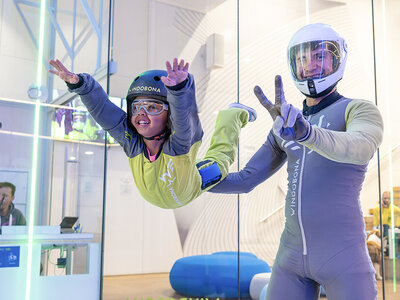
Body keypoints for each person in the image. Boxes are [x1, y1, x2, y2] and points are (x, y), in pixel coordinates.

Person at [210, 23, 384, 299]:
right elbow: (245, 180)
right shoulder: (286, 125)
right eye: (302, 58)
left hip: (344, 256)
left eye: (318, 56)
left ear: (338, 58)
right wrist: (186, 182)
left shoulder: (358, 109)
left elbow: (360, 147)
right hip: (290, 258)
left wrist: (307, 133)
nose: (309, 65)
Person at [49, 58, 256, 209]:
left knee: (221, 157)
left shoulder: (179, 144)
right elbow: (103, 111)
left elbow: (184, 119)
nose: (142, 114)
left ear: (169, 115)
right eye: (137, 107)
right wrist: (81, 86)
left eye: (153, 107)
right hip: (170, 191)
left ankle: (234, 114)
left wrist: (179, 90)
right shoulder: (132, 143)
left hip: (193, 185)